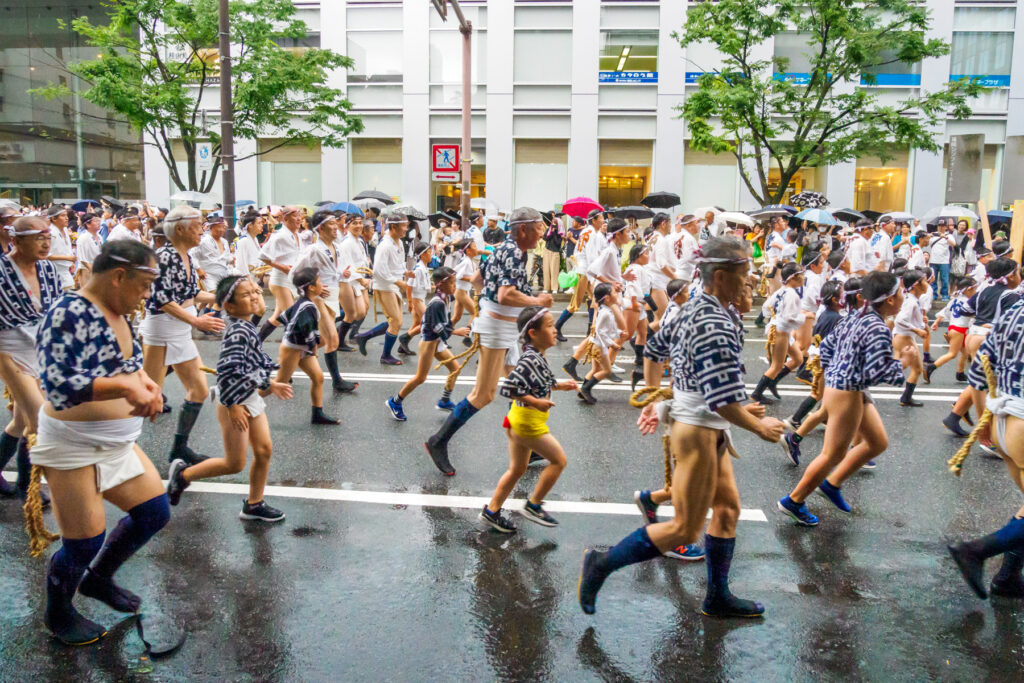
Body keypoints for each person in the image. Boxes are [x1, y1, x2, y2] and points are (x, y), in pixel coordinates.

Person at [578, 236, 784, 618]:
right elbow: (721, 399)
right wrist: (759, 425)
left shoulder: (695, 308)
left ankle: (717, 596)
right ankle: (600, 564)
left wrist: (659, 398)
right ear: (720, 276)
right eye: (745, 274)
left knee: (727, 509)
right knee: (685, 530)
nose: (751, 280)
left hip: (703, 422)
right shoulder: (712, 320)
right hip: (697, 430)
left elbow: (655, 353)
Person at [30, 239, 168, 645]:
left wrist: (147, 385)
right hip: (73, 442)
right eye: (143, 285)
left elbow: (126, 365)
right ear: (118, 276)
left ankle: (98, 579)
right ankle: (58, 612)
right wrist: (127, 390)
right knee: (85, 538)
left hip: (116, 442)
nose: (147, 295)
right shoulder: (69, 312)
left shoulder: (119, 311)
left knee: (154, 513)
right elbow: (55, 385)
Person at [778, 271, 916, 525]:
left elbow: (827, 348)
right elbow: (879, 372)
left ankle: (832, 485)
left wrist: (837, 374)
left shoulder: (855, 317)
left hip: (844, 386)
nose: (902, 298)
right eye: (899, 294)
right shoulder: (876, 326)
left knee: (877, 442)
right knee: (832, 454)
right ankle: (794, 500)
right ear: (888, 300)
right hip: (848, 391)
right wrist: (904, 361)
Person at [425, 207, 553, 476]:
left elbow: (479, 280)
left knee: (522, 386)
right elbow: (506, 294)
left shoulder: (502, 249)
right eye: (539, 228)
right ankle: (438, 440)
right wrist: (536, 301)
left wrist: (484, 305)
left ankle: (524, 446)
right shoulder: (515, 252)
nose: (542, 233)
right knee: (484, 394)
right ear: (523, 229)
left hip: (503, 325)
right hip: (497, 327)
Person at [166, 275, 294, 520]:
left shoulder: (246, 325)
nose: (255, 296)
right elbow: (226, 371)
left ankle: (254, 504)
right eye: (247, 295)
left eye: (255, 291)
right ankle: (182, 476)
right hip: (232, 401)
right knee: (234, 463)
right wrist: (233, 406)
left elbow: (250, 366)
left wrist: (271, 384)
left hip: (248, 396)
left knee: (264, 450)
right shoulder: (237, 331)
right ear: (230, 306)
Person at [947, 297, 1024, 600]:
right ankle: (976, 551)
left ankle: (1006, 578)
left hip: (1005, 421)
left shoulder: (1015, 309)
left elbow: (980, 369)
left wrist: (986, 426)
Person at [479, 306, 576, 532]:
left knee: (517, 469)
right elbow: (509, 387)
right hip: (528, 424)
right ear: (533, 333)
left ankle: (492, 511)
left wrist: (560, 385)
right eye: (550, 326)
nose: (555, 330)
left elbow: (543, 380)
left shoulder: (537, 356)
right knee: (559, 461)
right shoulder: (530, 359)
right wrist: (535, 402)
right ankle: (534, 505)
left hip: (518, 420)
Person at [140, 206, 225, 466]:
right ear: (179, 229)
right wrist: (197, 320)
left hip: (179, 328)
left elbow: (192, 295)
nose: (202, 230)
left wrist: (226, 295)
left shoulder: (186, 256)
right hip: (161, 328)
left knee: (198, 390)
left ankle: (179, 448)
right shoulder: (164, 256)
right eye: (198, 225)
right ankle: (117, 450)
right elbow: (163, 299)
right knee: (146, 396)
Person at [0, 217, 64, 501]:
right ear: (16, 240)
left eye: (48, 236)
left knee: (20, 421)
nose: (46, 243)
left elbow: (56, 311)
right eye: (39, 237)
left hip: (40, 350)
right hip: (8, 351)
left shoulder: (48, 269)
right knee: (39, 417)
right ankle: (31, 486)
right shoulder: (1, 270)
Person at [385, 267, 471, 420]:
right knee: (420, 378)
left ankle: (444, 400)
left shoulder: (446, 298)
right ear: (440, 284)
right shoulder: (437, 303)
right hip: (428, 342)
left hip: (436, 341)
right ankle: (395, 401)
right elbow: (436, 327)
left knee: (455, 369)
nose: (455, 286)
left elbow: (445, 323)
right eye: (452, 283)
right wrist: (456, 331)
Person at [292, 211, 358, 393]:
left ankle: (288, 360)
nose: (336, 226)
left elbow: (333, 271)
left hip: (333, 295)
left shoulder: (336, 247)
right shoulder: (313, 249)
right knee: (332, 339)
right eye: (331, 224)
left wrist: (341, 275)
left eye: (336, 223)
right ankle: (337, 381)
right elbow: (294, 274)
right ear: (320, 228)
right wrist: (309, 291)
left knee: (320, 341)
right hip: (319, 298)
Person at [355, 212, 414, 365]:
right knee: (396, 321)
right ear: (393, 227)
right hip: (384, 285)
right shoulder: (385, 245)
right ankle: (385, 355)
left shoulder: (398, 243)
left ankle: (364, 337)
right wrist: (398, 281)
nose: (406, 229)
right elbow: (379, 271)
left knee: (395, 321)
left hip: (393, 284)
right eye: (404, 226)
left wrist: (405, 273)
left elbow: (397, 265)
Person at [751, 263, 806, 404]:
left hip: (781, 329)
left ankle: (772, 382)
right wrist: (805, 316)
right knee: (776, 365)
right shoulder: (791, 294)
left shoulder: (782, 290)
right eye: (801, 275)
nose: (803, 278)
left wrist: (775, 318)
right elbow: (789, 317)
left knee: (798, 359)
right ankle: (757, 394)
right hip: (781, 331)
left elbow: (765, 307)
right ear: (793, 278)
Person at [256, 205, 304, 342]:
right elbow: (263, 256)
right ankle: (292, 352)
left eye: (300, 216)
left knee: (277, 318)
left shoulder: (298, 236)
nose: (299, 219)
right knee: (292, 318)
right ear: (285, 218)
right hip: (280, 280)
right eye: (296, 216)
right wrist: (282, 267)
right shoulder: (279, 236)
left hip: (292, 279)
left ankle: (255, 343)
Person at [891, 269, 928, 406]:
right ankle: (905, 397)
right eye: (924, 281)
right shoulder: (911, 301)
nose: (927, 283)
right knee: (916, 369)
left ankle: (906, 397)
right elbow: (900, 320)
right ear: (917, 284)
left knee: (916, 369)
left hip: (904, 336)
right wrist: (917, 330)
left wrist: (920, 322)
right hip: (904, 337)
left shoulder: (911, 299)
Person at [336, 215, 371, 351]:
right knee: (355, 313)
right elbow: (348, 265)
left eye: (360, 223)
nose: (358, 226)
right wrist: (361, 279)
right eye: (355, 223)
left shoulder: (359, 241)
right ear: (348, 226)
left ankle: (340, 330)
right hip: (351, 281)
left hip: (360, 280)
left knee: (363, 310)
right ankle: (339, 337)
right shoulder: (346, 243)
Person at [398, 241, 432, 356]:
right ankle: (404, 337)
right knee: (428, 322)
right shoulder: (418, 269)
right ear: (423, 254)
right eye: (429, 252)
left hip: (420, 298)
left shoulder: (423, 267)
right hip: (417, 300)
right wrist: (410, 302)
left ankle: (402, 346)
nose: (431, 254)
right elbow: (409, 285)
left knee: (417, 323)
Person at [194, 213, 235, 296]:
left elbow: (226, 258)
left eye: (223, 227)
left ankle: (201, 309)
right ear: (211, 227)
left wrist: (232, 259)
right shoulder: (203, 241)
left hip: (223, 273)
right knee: (216, 296)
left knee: (213, 300)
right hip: (208, 275)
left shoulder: (225, 242)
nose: (221, 230)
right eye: (219, 226)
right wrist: (198, 269)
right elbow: (192, 255)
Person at [46, 205, 76, 290]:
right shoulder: (50, 233)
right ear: (53, 219)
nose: (67, 218)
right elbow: (46, 255)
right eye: (63, 216)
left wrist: (71, 262)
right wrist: (68, 258)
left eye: (66, 215)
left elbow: (67, 248)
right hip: (54, 271)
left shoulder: (65, 230)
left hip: (66, 271)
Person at [74, 213, 103, 288]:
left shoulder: (99, 236)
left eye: (98, 220)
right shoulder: (83, 238)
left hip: (98, 269)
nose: (98, 223)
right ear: (88, 224)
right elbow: (83, 259)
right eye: (95, 221)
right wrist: (94, 271)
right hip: (87, 270)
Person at [929, 220, 955, 300]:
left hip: (944, 261)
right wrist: (929, 236)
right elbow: (927, 243)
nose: (941, 227)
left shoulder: (949, 235)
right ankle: (934, 294)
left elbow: (953, 244)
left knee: (944, 279)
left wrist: (945, 237)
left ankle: (944, 294)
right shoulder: (933, 235)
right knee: (933, 279)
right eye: (939, 225)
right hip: (933, 260)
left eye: (943, 226)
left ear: (945, 227)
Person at [541, 214, 564, 294]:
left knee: (554, 270)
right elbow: (545, 238)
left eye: (555, 223)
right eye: (553, 222)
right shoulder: (548, 230)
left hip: (555, 252)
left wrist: (554, 233)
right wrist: (551, 232)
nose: (553, 224)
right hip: (547, 251)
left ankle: (554, 287)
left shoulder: (560, 233)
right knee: (546, 270)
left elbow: (557, 243)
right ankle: (546, 287)